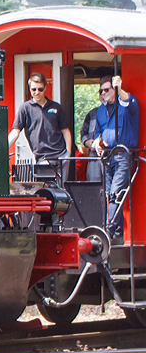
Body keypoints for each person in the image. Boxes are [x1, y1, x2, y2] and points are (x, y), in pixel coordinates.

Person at [92, 75, 139, 240]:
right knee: (107, 195)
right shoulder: (100, 110)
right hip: (106, 157)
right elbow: (97, 133)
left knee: (115, 193)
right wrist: (97, 143)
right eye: (101, 91)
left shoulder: (126, 104)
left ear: (115, 90)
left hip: (122, 156)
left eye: (107, 89)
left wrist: (120, 89)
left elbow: (130, 103)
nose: (103, 93)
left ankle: (108, 231)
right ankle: (116, 234)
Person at [8, 72, 73, 181]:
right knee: (45, 188)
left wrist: (68, 153)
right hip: (42, 158)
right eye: (34, 89)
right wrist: (2, 149)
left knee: (62, 188)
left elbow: (65, 130)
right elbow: (15, 132)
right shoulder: (25, 108)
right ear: (29, 89)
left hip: (61, 156)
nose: (37, 92)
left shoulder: (56, 107)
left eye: (40, 89)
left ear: (45, 88)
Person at [79, 102, 104, 184]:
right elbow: (83, 131)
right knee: (94, 184)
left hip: (109, 156)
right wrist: (87, 142)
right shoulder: (92, 113)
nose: (103, 96)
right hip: (93, 157)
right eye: (101, 95)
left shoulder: (117, 112)